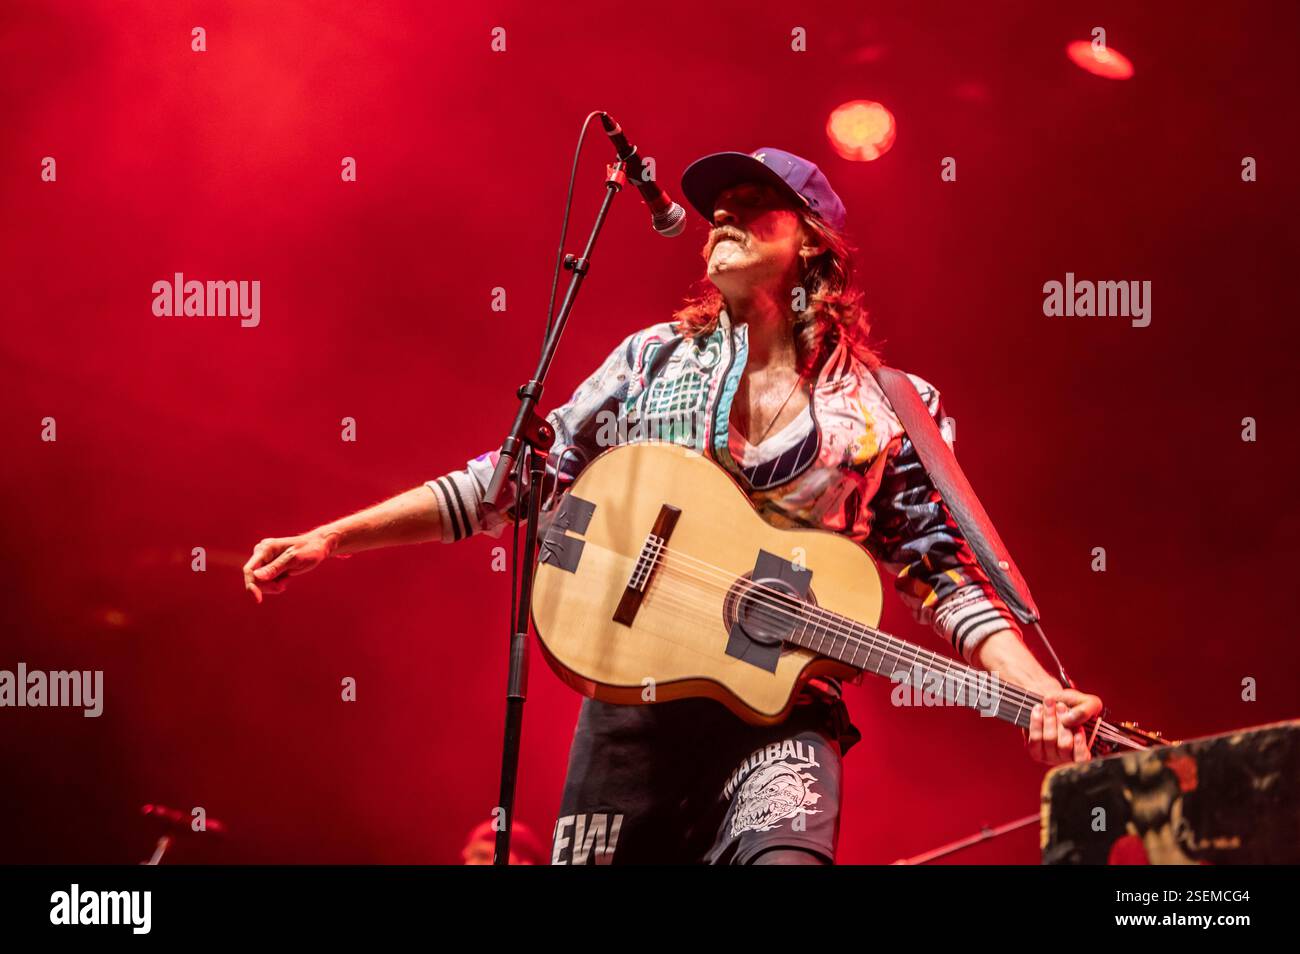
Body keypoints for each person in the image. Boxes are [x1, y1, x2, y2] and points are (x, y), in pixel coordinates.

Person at [243, 147, 1102, 865]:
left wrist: (1038, 694)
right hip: (631, 714)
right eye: (714, 208)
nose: (719, 217)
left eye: (751, 205)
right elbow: (507, 483)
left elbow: (942, 572)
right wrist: (333, 537)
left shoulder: (885, 407)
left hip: (782, 721)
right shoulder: (649, 361)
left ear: (812, 243)